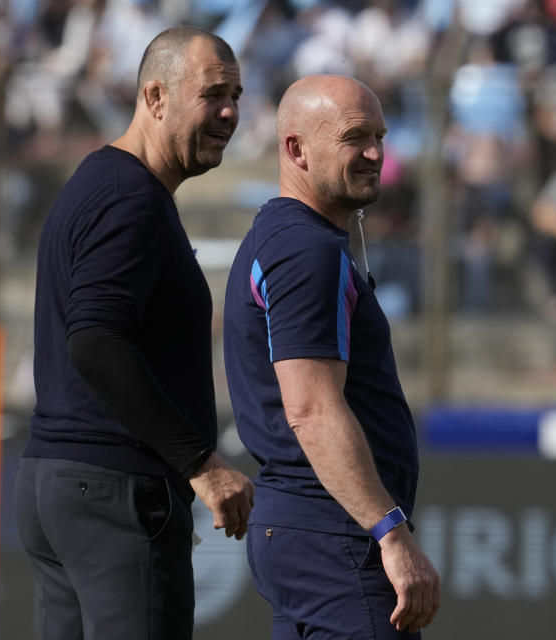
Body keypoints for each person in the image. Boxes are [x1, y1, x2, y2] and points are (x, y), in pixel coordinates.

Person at [13, 26, 254, 640]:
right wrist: (200, 464)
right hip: (109, 488)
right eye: (212, 94)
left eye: (237, 95)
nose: (229, 112)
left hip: (69, 483)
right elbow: (96, 341)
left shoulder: (105, 184)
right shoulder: (128, 197)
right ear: (154, 97)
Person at [223, 74, 441, 639]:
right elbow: (312, 410)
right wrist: (389, 532)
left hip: (311, 534)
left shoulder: (293, 239)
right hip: (336, 536)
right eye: (353, 137)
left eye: (380, 135)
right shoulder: (304, 249)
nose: (375, 153)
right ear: (295, 148)